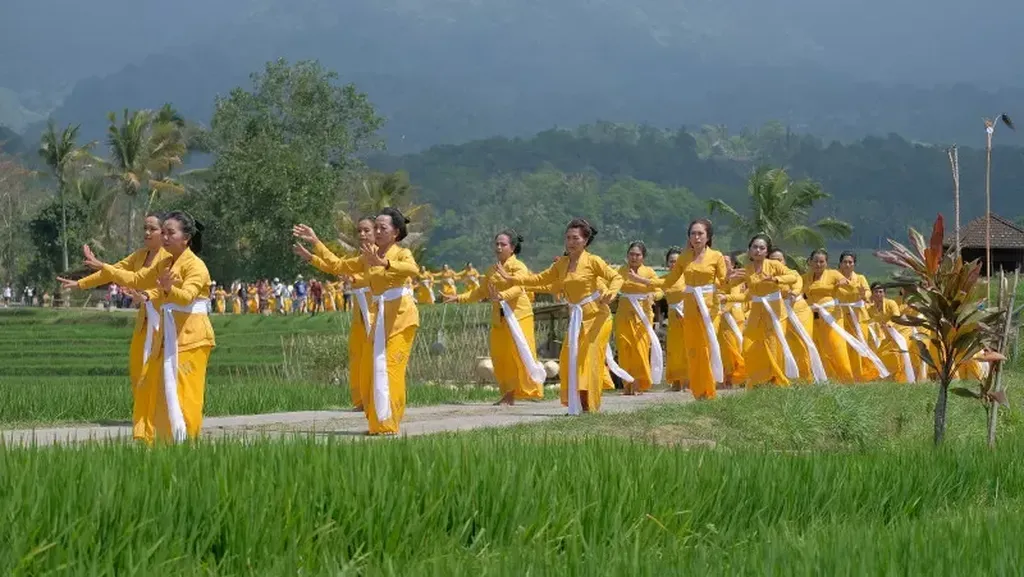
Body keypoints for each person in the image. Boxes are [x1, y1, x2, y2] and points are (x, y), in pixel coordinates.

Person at [80, 210, 215, 444]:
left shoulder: (196, 266)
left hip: (191, 338)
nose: (164, 237)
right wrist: (104, 267)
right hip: (168, 334)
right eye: (163, 232)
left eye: (170, 233)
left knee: (185, 393)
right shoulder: (164, 262)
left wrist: (166, 290)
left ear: (186, 238)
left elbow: (187, 296)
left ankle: (187, 441)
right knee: (153, 385)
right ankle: (158, 440)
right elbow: (136, 279)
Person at [293, 207, 420, 435]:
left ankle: (389, 422)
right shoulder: (367, 256)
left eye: (383, 228)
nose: (377, 232)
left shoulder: (401, 254)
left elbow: (413, 269)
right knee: (369, 369)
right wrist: (315, 243)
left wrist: (385, 264)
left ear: (396, 232)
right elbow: (338, 266)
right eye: (377, 227)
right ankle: (377, 422)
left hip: (402, 318)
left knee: (390, 369)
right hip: (382, 317)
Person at [58, 212, 170, 430]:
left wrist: (145, 295)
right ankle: (145, 417)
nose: (147, 233)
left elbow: (150, 283)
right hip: (144, 322)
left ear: (163, 232)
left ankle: (159, 418)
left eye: (152, 229)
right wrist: (80, 284)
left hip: (164, 323)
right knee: (138, 370)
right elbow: (112, 273)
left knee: (158, 374)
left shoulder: (167, 258)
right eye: (145, 228)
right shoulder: (139, 256)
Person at [497, 218, 621, 414]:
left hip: (597, 318)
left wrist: (611, 293)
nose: (571, 242)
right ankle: (576, 403)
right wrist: (512, 278)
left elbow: (616, 277)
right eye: (568, 238)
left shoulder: (593, 261)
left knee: (587, 361)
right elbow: (539, 279)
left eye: (576, 238)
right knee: (567, 359)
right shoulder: (562, 264)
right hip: (577, 320)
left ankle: (588, 406)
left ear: (585, 241)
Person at [631, 219, 732, 400]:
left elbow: (723, 282)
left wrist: (731, 278)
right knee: (693, 349)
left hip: (709, 307)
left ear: (708, 236)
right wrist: (646, 282)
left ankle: (709, 390)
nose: (696, 237)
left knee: (706, 346)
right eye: (693, 233)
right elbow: (669, 281)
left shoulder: (716, 256)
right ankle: (699, 390)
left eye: (700, 233)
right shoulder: (685, 257)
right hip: (690, 305)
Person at [445, 230, 544, 405]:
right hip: (499, 319)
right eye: (497, 244)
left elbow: (519, 287)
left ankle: (529, 390)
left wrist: (502, 296)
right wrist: (459, 297)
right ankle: (508, 393)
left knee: (520, 354)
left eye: (503, 244)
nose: (498, 247)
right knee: (500, 357)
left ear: (512, 248)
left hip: (519, 317)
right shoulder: (491, 270)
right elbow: (480, 291)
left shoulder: (518, 267)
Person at [299, 216, 377, 412]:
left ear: (378, 232)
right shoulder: (362, 257)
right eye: (359, 231)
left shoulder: (380, 256)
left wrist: (354, 278)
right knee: (357, 354)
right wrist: (311, 256)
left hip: (375, 310)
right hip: (360, 310)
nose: (362, 235)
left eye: (367, 230)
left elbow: (368, 277)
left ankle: (375, 399)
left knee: (373, 356)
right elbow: (337, 266)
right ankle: (361, 400)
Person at [734, 235, 799, 388]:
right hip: (756, 314)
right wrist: (728, 278)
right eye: (754, 247)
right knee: (749, 346)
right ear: (749, 251)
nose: (758, 251)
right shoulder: (747, 270)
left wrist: (777, 280)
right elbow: (730, 285)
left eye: (762, 248)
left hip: (775, 313)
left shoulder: (774, 265)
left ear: (767, 251)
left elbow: (793, 277)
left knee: (773, 346)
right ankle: (758, 379)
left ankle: (776, 381)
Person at [768, 249, 827, 383]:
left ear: (784, 261)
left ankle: (805, 378)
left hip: (799, 310)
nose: (777, 263)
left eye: (779, 259)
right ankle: (780, 378)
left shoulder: (792, 273)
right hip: (779, 311)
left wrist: (793, 293)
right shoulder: (766, 277)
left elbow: (797, 284)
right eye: (773, 260)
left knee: (802, 343)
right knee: (779, 343)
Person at [613, 241, 663, 395]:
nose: (634, 257)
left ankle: (639, 384)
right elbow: (608, 283)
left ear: (643, 257)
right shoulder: (621, 271)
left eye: (637, 255)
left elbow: (660, 289)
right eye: (631, 254)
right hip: (624, 311)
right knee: (624, 347)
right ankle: (627, 384)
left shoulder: (648, 272)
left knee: (640, 348)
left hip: (642, 312)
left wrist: (653, 295)